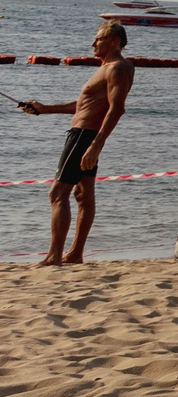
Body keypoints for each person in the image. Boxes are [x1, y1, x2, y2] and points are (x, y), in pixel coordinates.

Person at [18, 19, 134, 266]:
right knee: (83, 194)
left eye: (99, 39)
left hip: (84, 136)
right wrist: (44, 109)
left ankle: (54, 256)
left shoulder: (118, 68)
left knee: (57, 193)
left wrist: (96, 145)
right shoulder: (107, 68)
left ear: (114, 41)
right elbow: (83, 106)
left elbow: (116, 109)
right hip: (84, 135)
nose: (93, 44)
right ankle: (75, 254)